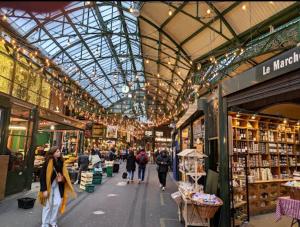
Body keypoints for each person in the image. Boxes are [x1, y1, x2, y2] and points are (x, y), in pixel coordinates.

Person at [38, 146, 76, 227]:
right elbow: (42, 176)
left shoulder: (61, 162)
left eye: (59, 151)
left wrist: (62, 179)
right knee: (48, 205)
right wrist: (44, 189)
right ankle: (45, 224)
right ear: (53, 153)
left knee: (57, 203)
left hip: (58, 186)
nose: (59, 152)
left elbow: (65, 175)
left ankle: (53, 221)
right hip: (49, 186)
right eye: (57, 151)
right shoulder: (48, 162)